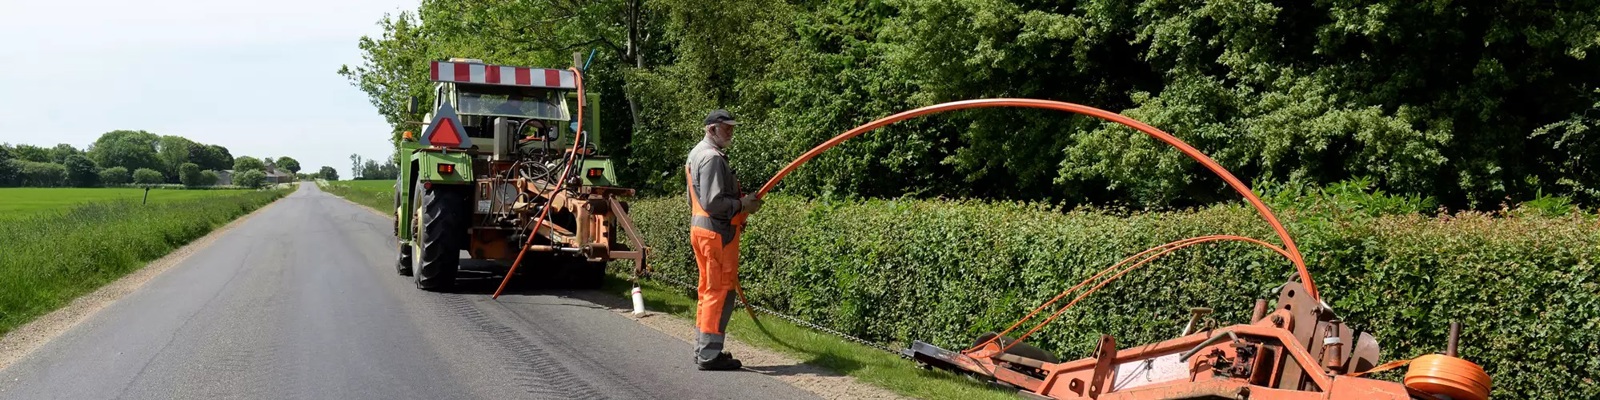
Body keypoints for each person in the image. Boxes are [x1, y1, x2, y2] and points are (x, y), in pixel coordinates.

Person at [685, 109, 763, 371]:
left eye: (731, 127)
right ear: (711, 129)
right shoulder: (712, 159)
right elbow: (713, 202)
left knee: (708, 291)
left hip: (703, 232)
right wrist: (743, 205)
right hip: (718, 235)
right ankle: (709, 354)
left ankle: (703, 349)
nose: (730, 132)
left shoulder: (696, 153)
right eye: (725, 127)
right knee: (719, 292)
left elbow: (696, 199)